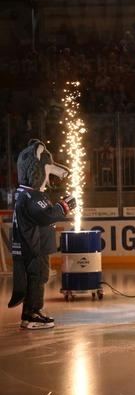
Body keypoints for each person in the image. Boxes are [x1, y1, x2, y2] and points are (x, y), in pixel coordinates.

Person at [7, 139, 76, 329]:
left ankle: (29, 313)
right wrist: (64, 206)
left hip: (30, 245)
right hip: (34, 247)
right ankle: (32, 313)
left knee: (34, 278)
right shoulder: (32, 196)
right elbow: (46, 216)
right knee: (38, 277)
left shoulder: (24, 193)